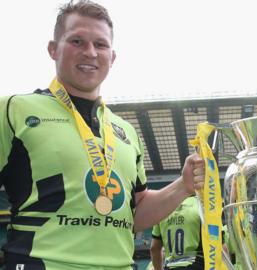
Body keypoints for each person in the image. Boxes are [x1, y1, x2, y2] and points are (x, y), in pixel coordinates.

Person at [0, 1, 205, 269]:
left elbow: (136, 213)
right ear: (53, 49)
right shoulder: (14, 110)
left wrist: (183, 185)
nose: (90, 52)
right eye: (77, 41)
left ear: (113, 56)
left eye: (100, 44)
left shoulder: (125, 131)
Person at [149, 196, 203, 270]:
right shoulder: (203, 204)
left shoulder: (163, 209)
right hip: (196, 265)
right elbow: (221, 246)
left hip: (170, 266)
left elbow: (154, 248)